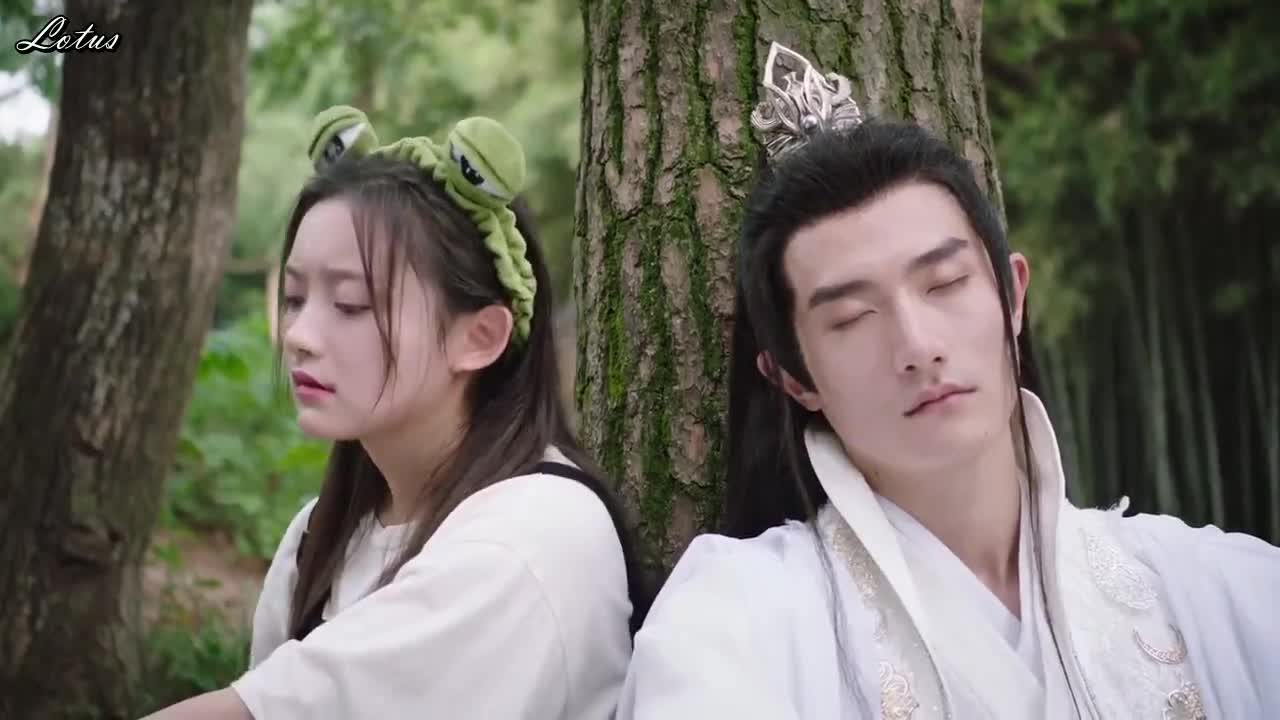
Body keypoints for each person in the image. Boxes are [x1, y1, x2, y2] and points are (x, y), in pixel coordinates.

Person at [616, 43, 1280, 720]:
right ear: (791, 377)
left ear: (1012, 297)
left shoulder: (1222, 591)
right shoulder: (734, 623)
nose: (918, 346)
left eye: (945, 282)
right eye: (851, 317)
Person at [146, 106, 650, 719]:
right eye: (296, 297)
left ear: (479, 338)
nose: (299, 335)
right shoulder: (318, 534)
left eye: (350, 305)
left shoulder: (532, 537)